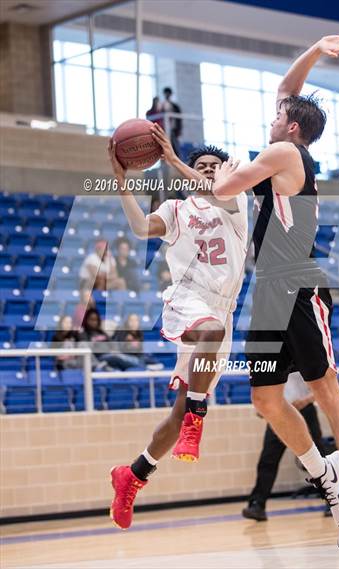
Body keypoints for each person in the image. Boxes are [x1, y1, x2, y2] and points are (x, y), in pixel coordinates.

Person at [212, 35, 339, 552]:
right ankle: (323, 475)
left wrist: (206, 170)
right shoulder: (288, 143)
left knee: (326, 388)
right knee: (265, 399)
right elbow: (289, 90)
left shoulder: (285, 150)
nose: (270, 118)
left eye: (277, 116)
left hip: (298, 285)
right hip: (269, 291)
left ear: (290, 128)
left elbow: (224, 189)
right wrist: (314, 49)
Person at [107, 127, 247, 530]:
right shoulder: (174, 209)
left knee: (181, 407)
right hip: (186, 299)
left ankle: (133, 475)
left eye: (212, 168)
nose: (205, 172)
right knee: (208, 332)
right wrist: (121, 184)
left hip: (222, 309)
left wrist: (173, 160)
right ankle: (197, 420)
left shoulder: (235, 202)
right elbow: (139, 228)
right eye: (200, 165)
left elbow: (215, 188)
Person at [242, 372, 326, 522]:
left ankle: (332, 501)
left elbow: (325, 383)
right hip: (278, 412)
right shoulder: (270, 353)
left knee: (319, 458)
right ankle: (257, 505)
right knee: (268, 459)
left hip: (305, 409)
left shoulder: (301, 351)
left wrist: (306, 400)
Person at [162, 87, 182, 157]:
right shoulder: (161, 105)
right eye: (166, 94)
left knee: (175, 147)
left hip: (173, 129)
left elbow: (179, 119)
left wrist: (179, 130)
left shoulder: (175, 106)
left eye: (168, 94)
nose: (167, 95)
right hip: (163, 130)